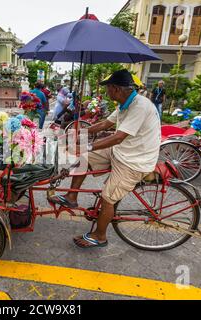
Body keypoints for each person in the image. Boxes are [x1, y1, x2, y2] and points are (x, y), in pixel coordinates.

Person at [49, 69, 161, 248]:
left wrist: (86, 145)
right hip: (122, 150)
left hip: (134, 160)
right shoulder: (124, 103)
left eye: (108, 88)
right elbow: (105, 124)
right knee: (85, 158)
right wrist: (80, 132)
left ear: (116, 89)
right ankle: (71, 196)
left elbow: (118, 137)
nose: (106, 93)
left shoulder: (140, 106)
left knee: (108, 197)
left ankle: (100, 236)